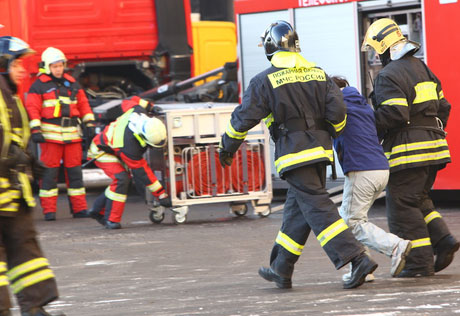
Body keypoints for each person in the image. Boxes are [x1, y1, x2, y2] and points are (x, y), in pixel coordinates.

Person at [219, 20, 377, 290]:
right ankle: (281, 268)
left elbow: (242, 119)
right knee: (297, 212)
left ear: (270, 47)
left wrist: (227, 147)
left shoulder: (263, 80)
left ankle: (355, 257)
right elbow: (338, 113)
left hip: (293, 155)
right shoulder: (319, 74)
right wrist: (329, 132)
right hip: (320, 153)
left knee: (317, 207)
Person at [361, 18, 459, 277]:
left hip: (409, 152)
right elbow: (444, 107)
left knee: (402, 203)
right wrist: (429, 131)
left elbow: (394, 113)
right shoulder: (422, 68)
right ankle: (442, 240)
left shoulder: (388, 75)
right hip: (435, 147)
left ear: (384, 47)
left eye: (375, 50)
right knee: (419, 198)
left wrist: (369, 128)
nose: (375, 56)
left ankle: (418, 263)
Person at [0, 36, 64, 316]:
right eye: (17, 64)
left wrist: (27, 161)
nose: (23, 70)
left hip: (13, 192)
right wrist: (13, 157)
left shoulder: (9, 96)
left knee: (26, 251)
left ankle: (35, 307)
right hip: (5, 189)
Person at [331, 76, 412, 281]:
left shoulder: (338, 108)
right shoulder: (362, 106)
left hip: (361, 169)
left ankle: (395, 246)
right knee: (355, 218)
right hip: (381, 169)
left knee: (350, 222)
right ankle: (363, 267)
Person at [25, 47, 96, 221]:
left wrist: (89, 122)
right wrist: (35, 129)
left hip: (72, 135)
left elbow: (83, 104)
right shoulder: (39, 85)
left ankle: (79, 209)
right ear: (47, 67)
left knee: (75, 174)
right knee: (49, 175)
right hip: (50, 137)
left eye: (60, 65)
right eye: (55, 66)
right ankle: (49, 211)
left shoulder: (72, 83)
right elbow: (32, 108)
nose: (58, 69)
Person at [87, 97, 171, 229]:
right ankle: (111, 220)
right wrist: (161, 195)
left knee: (121, 180)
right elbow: (143, 173)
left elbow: (129, 100)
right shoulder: (130, 147)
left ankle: (97, 210)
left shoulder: (137, 112)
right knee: (122, 179)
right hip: (101, 151)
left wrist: (150, 106)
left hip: (111, 147)